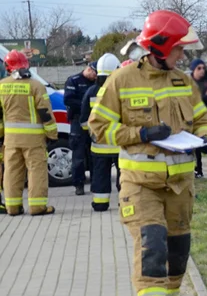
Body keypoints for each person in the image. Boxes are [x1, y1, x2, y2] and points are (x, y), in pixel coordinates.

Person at [88, 10, 207, 296]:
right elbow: (98, 128)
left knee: (177, 252)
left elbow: (203, 119)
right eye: (178, 49)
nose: (182, 55)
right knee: (152, 245)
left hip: (180, 186)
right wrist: (140, 132)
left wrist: (206, 136)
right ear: (159, 47)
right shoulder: (122, 80)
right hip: (140, 183)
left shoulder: (183, 81)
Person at [1, 50, 58, 216]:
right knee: (36, 171)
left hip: (10, 140)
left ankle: (12, 207)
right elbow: (45, 113)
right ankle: (37, 207)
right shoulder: (36, 86)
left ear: (8, 67)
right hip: (33, 140)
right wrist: (52, 134)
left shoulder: (2, 85)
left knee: (11, 172)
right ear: (26, 65)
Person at [81, 53, 123, 211]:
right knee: (124, 174)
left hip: (99, 145)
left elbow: (84, 120)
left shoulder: (91, 92)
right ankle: (124, 201)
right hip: (120, 143)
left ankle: (100, 203)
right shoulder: (121, 91)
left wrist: (92, 135)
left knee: (100, 174)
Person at [64, 61, 97, 195]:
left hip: (93, 120)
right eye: (95, 73)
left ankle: (96, 183)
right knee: (78, 155)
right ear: (89, 69)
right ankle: (79, 184)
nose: (96, 77)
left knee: (95, 154)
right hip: (78, 120)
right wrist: (85, 105)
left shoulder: (96, 82)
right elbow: (68, 100)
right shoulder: (74, 81)